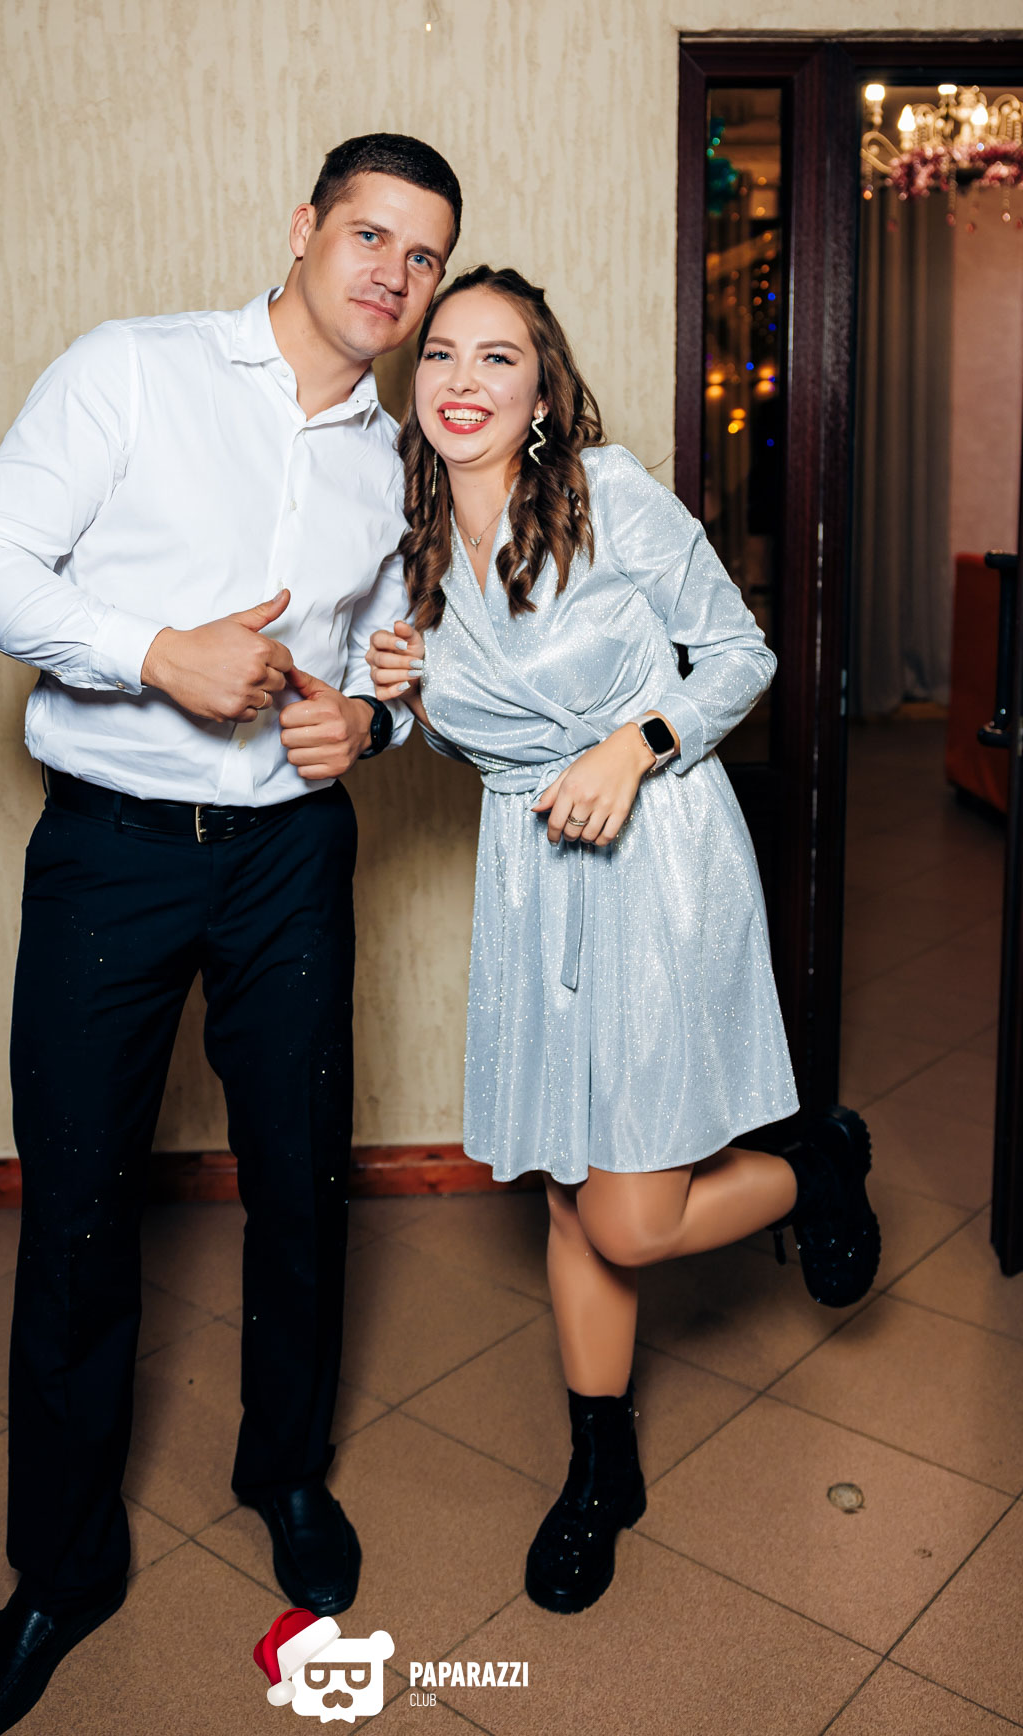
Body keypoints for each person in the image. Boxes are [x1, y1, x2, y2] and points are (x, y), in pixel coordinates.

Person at [0, 133, 461, 1736]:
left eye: (425, 256)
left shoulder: (402, 460)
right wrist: (152, 650)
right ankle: (61, 1567)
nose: (394, 275)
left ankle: (283, 1471)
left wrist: (372, 727)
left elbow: (402, 663)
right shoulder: (131, 371)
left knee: (301, 1181)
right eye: (369, 235)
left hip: (291, 859)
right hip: (113, 852)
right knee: (81, 1205)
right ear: (303, 228)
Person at [367, 265, 880, 1616]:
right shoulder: (414, 536)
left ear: (543, 393)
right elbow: (472, 739)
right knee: (569, 1193)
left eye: (499, 358)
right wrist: (409, 699)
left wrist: (635, 742)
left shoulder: (607, 495)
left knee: (632, 1218)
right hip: (529, 884)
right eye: (441, 354)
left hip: (655, 858)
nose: (463, 380)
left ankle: (814, 1162)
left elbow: (743, 655)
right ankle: (603, 1470)